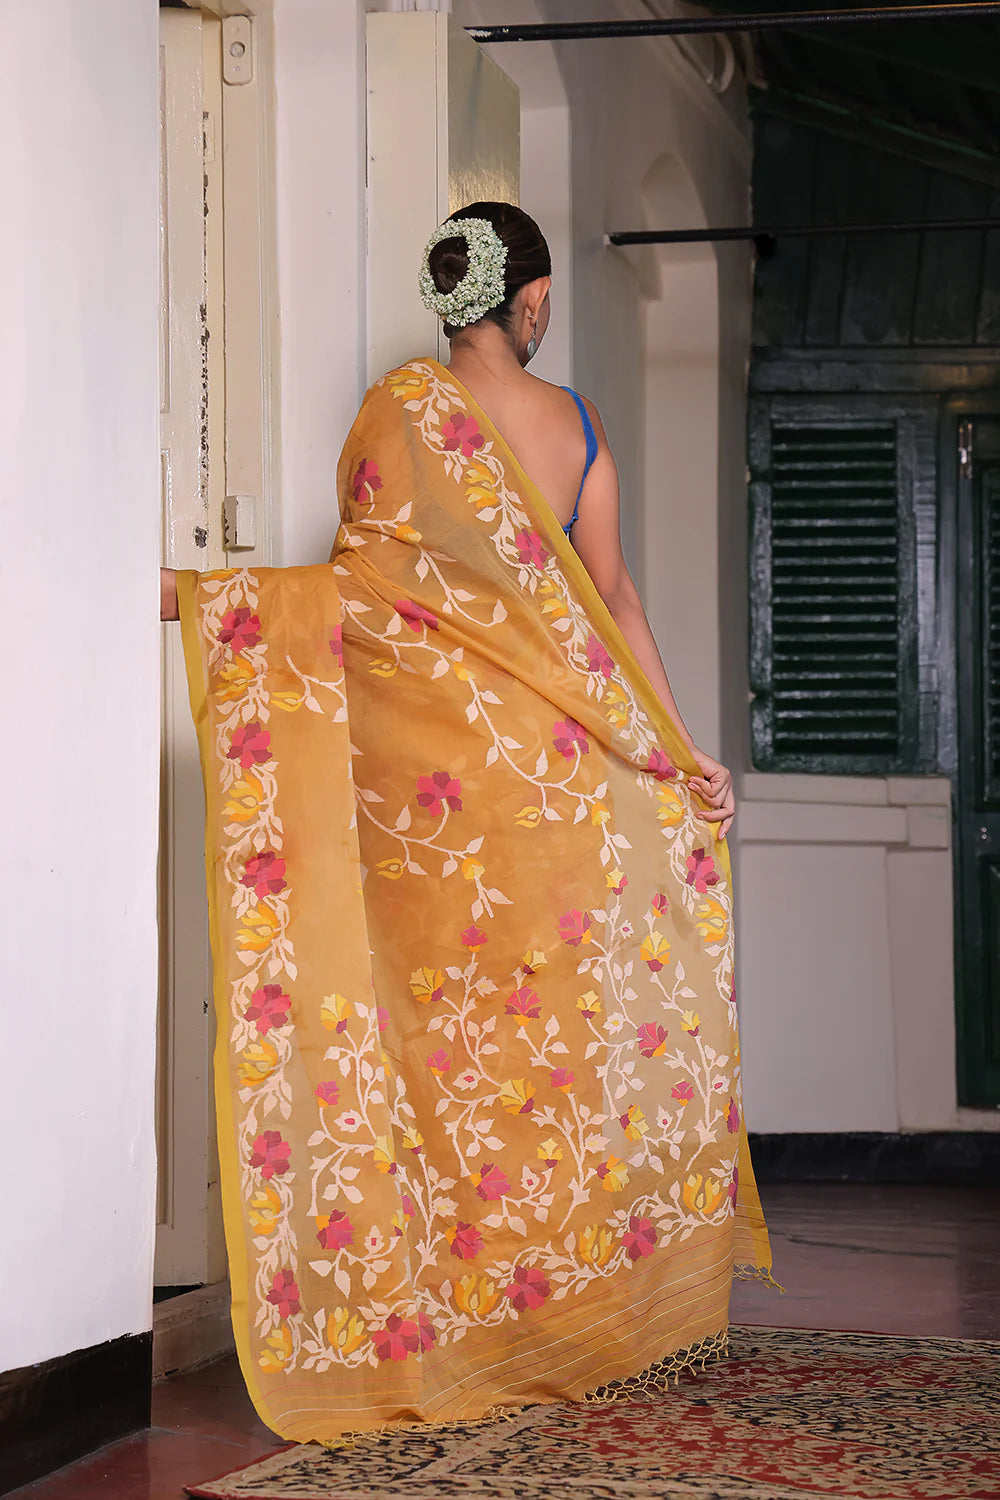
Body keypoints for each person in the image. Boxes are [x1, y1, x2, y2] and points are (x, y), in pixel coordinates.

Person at [162, 202, 774, 1446]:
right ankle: (571, 1322)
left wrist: (207, 600)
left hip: (438, 817)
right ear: (531, 299)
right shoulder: (577, 427)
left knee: (445, 1056)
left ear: (453, 300)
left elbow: (366, 599)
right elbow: (614, 602)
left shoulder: (397, 414)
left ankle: (452, 1322)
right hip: (563, 802)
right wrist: (675, 747)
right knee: (558, 1064)